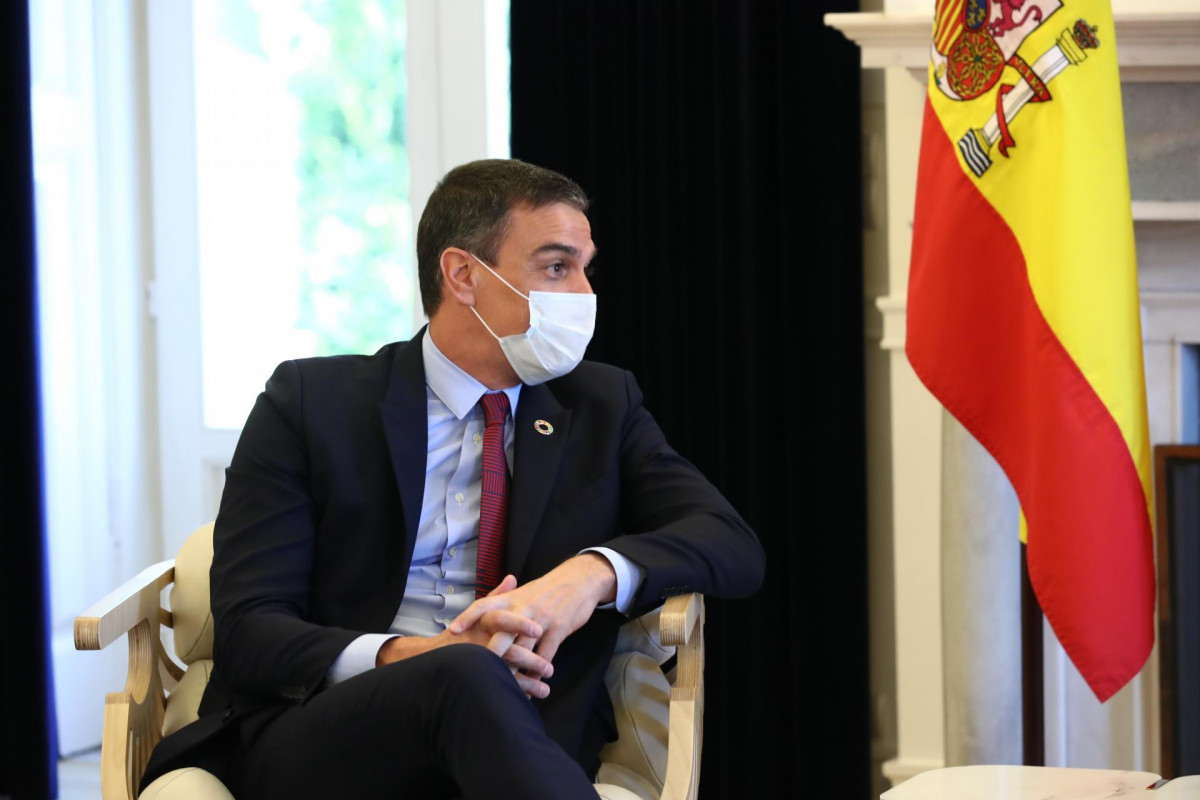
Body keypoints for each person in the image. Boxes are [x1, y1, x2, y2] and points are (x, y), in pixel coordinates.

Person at [141, 159, 764, 799]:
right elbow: (249, 628)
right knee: (462, 673)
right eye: (556, 267)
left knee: (472, 683)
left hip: (519, 740)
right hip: (327, 737)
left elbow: (731, 543)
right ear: (463, 274)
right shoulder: (310, 404)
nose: (582, 293)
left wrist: (587, 575)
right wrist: (408, 657)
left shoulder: (601, 407)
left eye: (584, 267)